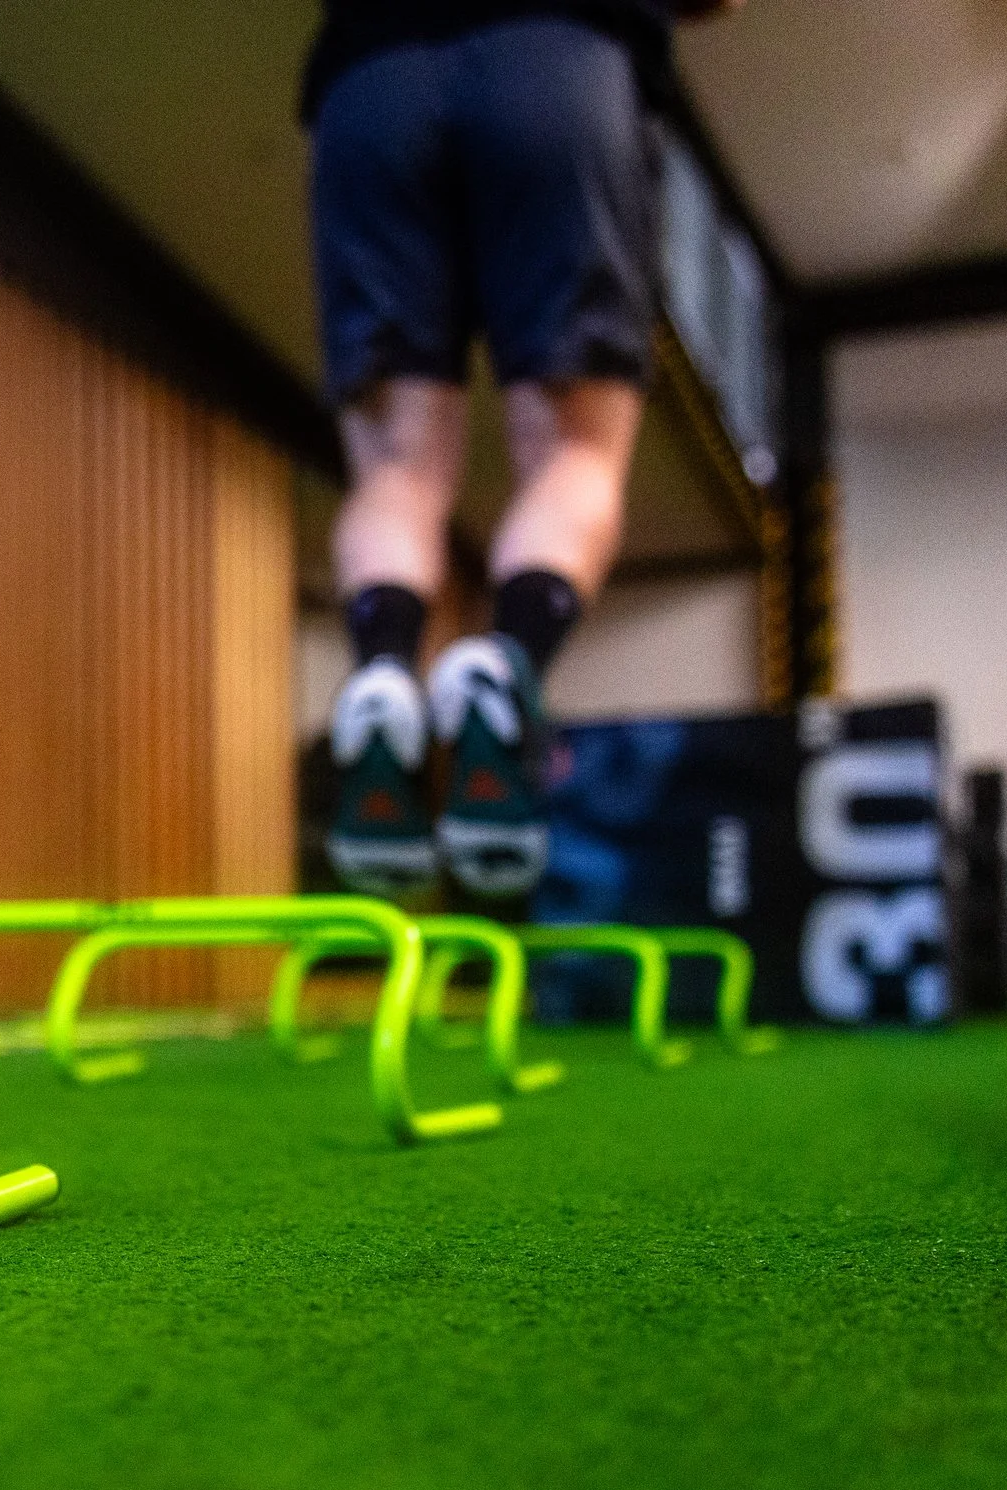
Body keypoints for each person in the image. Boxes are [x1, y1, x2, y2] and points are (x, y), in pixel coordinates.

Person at [305, 0, 739, 903]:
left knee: (396, 464)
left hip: (368, 78)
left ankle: (385, 670)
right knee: (575, 449)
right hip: (558, 53)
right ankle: (503, 667)